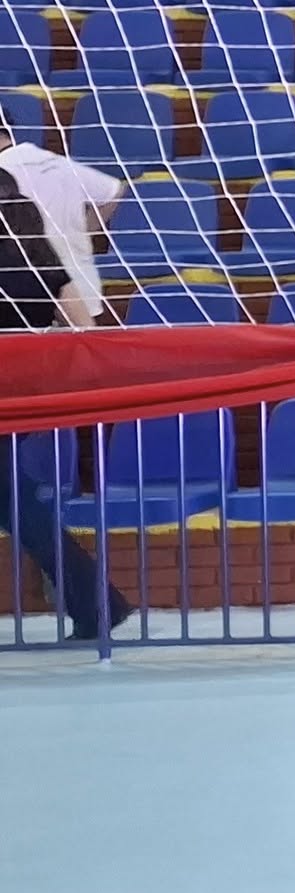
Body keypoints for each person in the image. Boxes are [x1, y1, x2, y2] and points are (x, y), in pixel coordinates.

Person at [0, 122, 136, 640]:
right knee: (13, 500)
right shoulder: (32, 245)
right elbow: (71, 305)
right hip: (25, 382)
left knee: (14, 499)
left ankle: (98, 604)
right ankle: (97, 604)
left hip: (13, 383)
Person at [0, 121, 127, 328]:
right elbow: (114, 190)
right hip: (80, 285)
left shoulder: (4, 174)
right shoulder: (56, 161)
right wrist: (84, 231)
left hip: (34, 290)